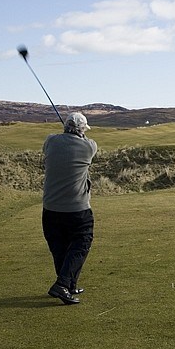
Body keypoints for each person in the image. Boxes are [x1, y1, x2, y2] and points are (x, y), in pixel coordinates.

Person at [42, 112, 98, 304]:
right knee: (82, 243)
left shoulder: (51, 141)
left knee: (60, 248)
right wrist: (78, 135)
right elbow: (85, 141)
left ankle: (69, 284)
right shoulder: (89, 146)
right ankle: (62, 284)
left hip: (50, 209)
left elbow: (54, 144)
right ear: (82, 130)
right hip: (77, 210)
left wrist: (66, 134)